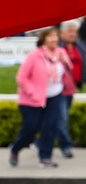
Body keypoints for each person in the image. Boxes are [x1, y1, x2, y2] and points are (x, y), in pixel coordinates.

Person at [11, 28, 72, 167]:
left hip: (55, 95)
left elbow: (68, 71)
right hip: (32, 100)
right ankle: (15, 149)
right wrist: (33, 93)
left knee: (50, 127)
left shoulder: (60, 54)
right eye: (50, 36)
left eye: (56, 36)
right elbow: (21, 78)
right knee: (30, 129)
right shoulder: (35, 56)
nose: (54, 39)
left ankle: (45, 157)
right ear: (43, 39)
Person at [57, 20, 86, 159]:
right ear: (62, 33)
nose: (73, 34)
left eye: (75, 31)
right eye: (70, 31)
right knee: (62, 118)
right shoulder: (56, 47)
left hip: (71, 89)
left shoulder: (79, 46)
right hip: (58, 89)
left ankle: (40, 141)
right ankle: (66, 146)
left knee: (57, 117)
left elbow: (85, 65)